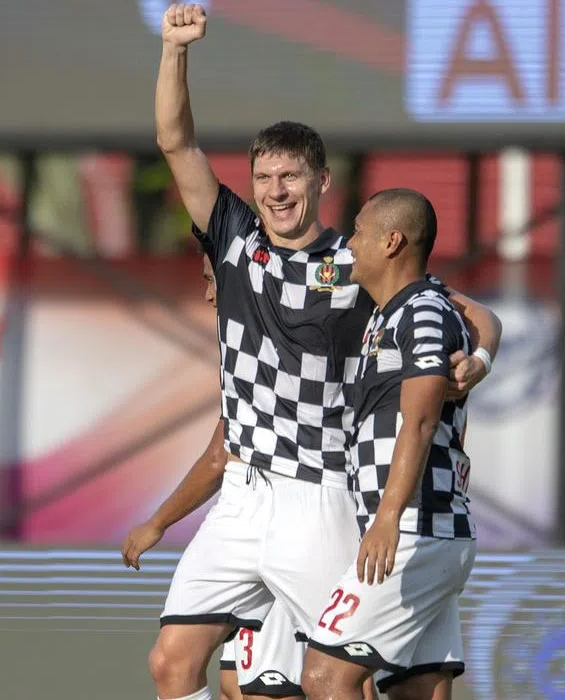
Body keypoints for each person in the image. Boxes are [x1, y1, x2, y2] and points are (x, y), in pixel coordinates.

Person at [140, 3, 502, 700]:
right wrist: (174, 50)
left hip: (320, 492)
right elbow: (174, 142)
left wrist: (478, 361)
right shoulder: (233, 239)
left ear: (321, 183)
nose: (276, 192)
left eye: (291, 178)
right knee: (170, 662)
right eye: (264, 178)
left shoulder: (357, 262)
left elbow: (477, 317)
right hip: (243, 494)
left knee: (343, 680)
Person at [122, 232, 378, 700]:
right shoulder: (243, 354)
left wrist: (479, 355)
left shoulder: (328, 290)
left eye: (212, 279)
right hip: (245, 507)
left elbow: (453, 304)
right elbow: (221, 452)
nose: (208, 293)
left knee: (331, 678)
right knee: (196, 669)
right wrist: (158, 522)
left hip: (311, 505)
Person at [301, 189, 476, 700]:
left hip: (417, 528)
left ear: (392, 241)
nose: (350, 244)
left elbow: (419, 422)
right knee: (416, 690)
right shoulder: (388, 313)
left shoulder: (423, 311)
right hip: (422, 530)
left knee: (325, 676)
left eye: (358, 232)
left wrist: (387, 518)